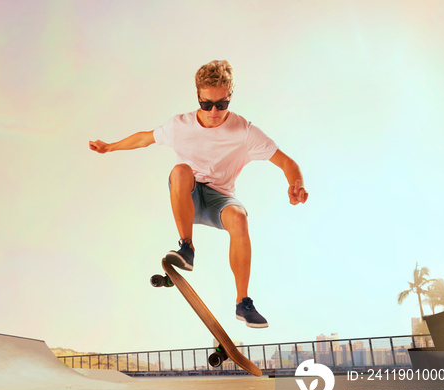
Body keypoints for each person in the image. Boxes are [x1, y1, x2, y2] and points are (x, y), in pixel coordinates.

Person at [89, 60, 308, 328]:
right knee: (181, 170)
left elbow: (287, 162)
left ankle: (243, 303)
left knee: (239, 218)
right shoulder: (180, 125)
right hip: (188, 195)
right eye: (207, 104)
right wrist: (109, 147)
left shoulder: (245, 132)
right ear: (198, 98)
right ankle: (186, 247)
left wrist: (296, 183)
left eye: (221, 104)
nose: (214, 111)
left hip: (220, 198)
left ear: (230, 97)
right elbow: (144, 138)